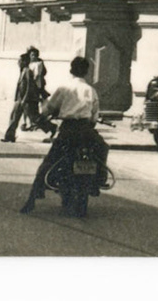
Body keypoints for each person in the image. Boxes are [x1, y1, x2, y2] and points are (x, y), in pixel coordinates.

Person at [19, 55, 105, 216]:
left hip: (69, 130)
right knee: (102, 149)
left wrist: (43, 116)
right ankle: (98, 179)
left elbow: (49, 107)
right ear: (86, 72)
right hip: (86, 130)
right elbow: (94, 115)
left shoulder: (65, 87)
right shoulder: (91, 90)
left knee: (49, 162)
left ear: (71, 70)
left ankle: (32, 200)